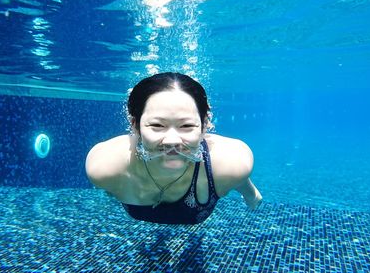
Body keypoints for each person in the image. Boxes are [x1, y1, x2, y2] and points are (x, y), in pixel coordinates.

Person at [85, 72, 262, 224]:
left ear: (205, 126)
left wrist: (249, 194)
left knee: (235, 177)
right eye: (157, 125)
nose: (171, 141)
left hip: (215, 170)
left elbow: (235, 173)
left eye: (186, 126)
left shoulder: (231, 163)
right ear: (135, 125)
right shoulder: (105, 168)